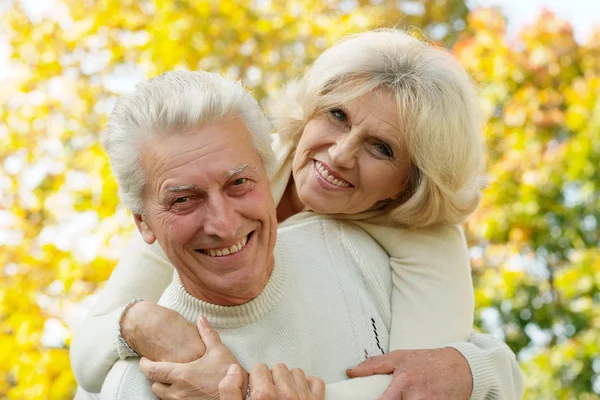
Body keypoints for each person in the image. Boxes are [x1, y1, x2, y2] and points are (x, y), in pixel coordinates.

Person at [71, 29, 524, 399]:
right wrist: (140, 323)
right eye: (337, 115)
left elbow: (411, 388)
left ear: (410, 180)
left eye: (382, 148)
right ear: (310, 109)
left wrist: (238, 391)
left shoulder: (424, 239)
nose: (341, 154)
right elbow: (89, 357)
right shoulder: (223, 175)